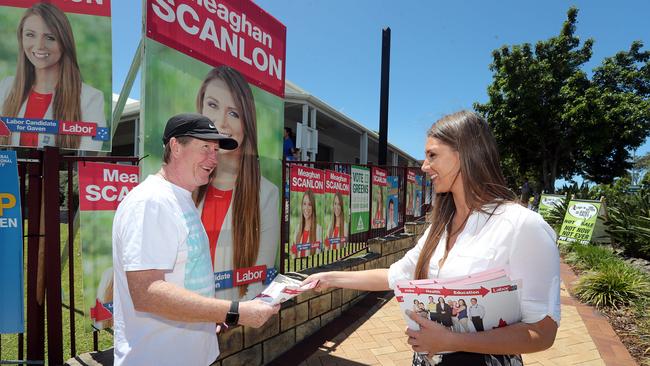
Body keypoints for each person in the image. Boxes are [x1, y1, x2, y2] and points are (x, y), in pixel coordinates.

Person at [302, 110, 560, 365]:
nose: (424, 166)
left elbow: (542, 332)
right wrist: (329, 278)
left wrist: (451, 341)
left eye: (432, 155)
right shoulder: (440, 227)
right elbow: (395, 276)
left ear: (465, 154)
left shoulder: (522, 225)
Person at [112, 113, 279, 366]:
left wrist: (208, 316)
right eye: (204, 148)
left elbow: (184, 279)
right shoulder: (151, 202)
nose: (213, 159)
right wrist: (233, 311)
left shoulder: (181, 198)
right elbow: (146, 292)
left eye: (215, 149)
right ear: (176, 147)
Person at [194, 66, 280, 301]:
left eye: (234, 113)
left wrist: (231, 317)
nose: (221, 122)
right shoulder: (185, 188)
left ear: (247, 124)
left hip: (229, 320)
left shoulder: (267, 194)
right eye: (212, 105)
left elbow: (259, 277)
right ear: (200, 107)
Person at [0, 2, 105, 150]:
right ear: (21, 38)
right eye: (30, 35)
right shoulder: (5, 87)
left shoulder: (91, 98)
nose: (39, 45)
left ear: (64, 42)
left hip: (60, 173)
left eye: (50, 37)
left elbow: (88, 155)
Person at [291, 189, 322, 257]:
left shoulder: (318, 229)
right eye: (304, 204)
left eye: (310, 204)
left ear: (313, 207)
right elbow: (293, 252)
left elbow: (318, 253)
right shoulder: (297, 228)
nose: (306, 208)